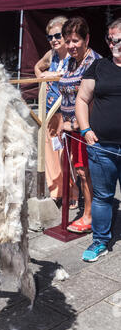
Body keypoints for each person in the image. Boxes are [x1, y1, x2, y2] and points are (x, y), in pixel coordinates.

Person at [75, 18, 121, 261]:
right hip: (101, 146)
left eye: (119, 39)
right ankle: (100, 241)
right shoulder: (99, 67)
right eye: (111, 39)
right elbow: (82, 99)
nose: (114, 44)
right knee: (103, 197)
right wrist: (85, 130)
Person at [58, 16, 101, 234]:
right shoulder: (71, 61)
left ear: (86, 39)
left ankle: (90, 215)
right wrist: (61, 121)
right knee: (79, 170)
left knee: (86, 172)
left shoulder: (93, 62)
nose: (71, 45)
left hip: (86, 128)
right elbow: (65, 94)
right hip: (70, 128)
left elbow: (92, 100)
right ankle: (87, 210)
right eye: (68, 41)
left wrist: (75, 124)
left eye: (75, 40)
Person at [34, 16, 71, 206]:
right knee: (49, 152)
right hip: (49, 110)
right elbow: (37, 67)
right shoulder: (51, 55)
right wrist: (43, 77)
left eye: (58, 35)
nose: (54, 40)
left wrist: (54, 75)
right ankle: (56, 192)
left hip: (66, 111)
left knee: (67, 154)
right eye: (50, 37)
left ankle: (71, 193)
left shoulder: (73, 55)